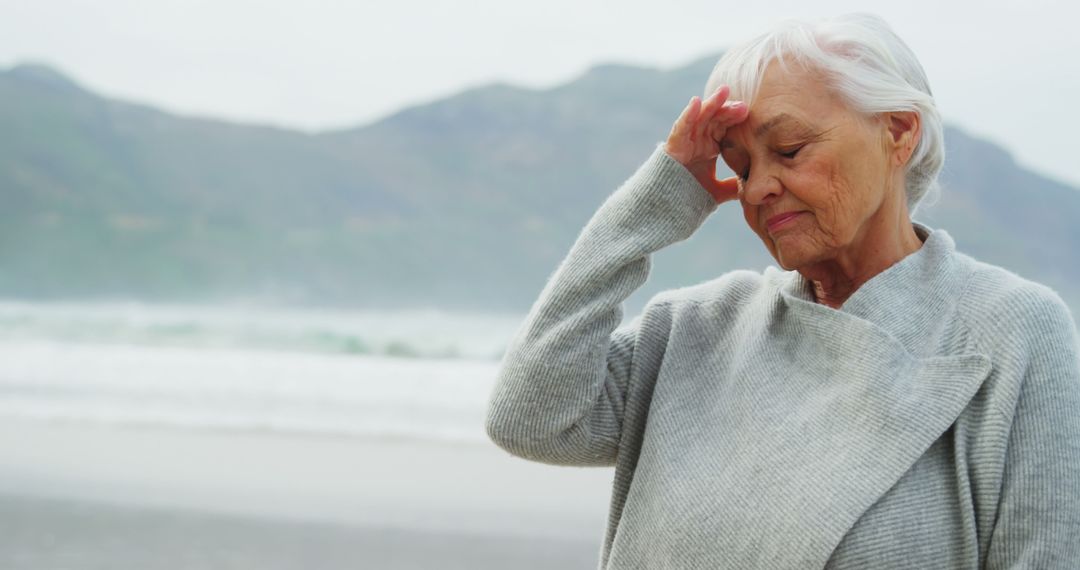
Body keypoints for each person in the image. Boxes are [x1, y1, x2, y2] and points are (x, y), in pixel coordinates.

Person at [484, 12, 1080, 569]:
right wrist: (654, 204)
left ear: (897, 132)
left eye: (790, 150)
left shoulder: (1011, 330)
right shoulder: (697, 326)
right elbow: (528, 418)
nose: (757, 188)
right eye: (740, 166)